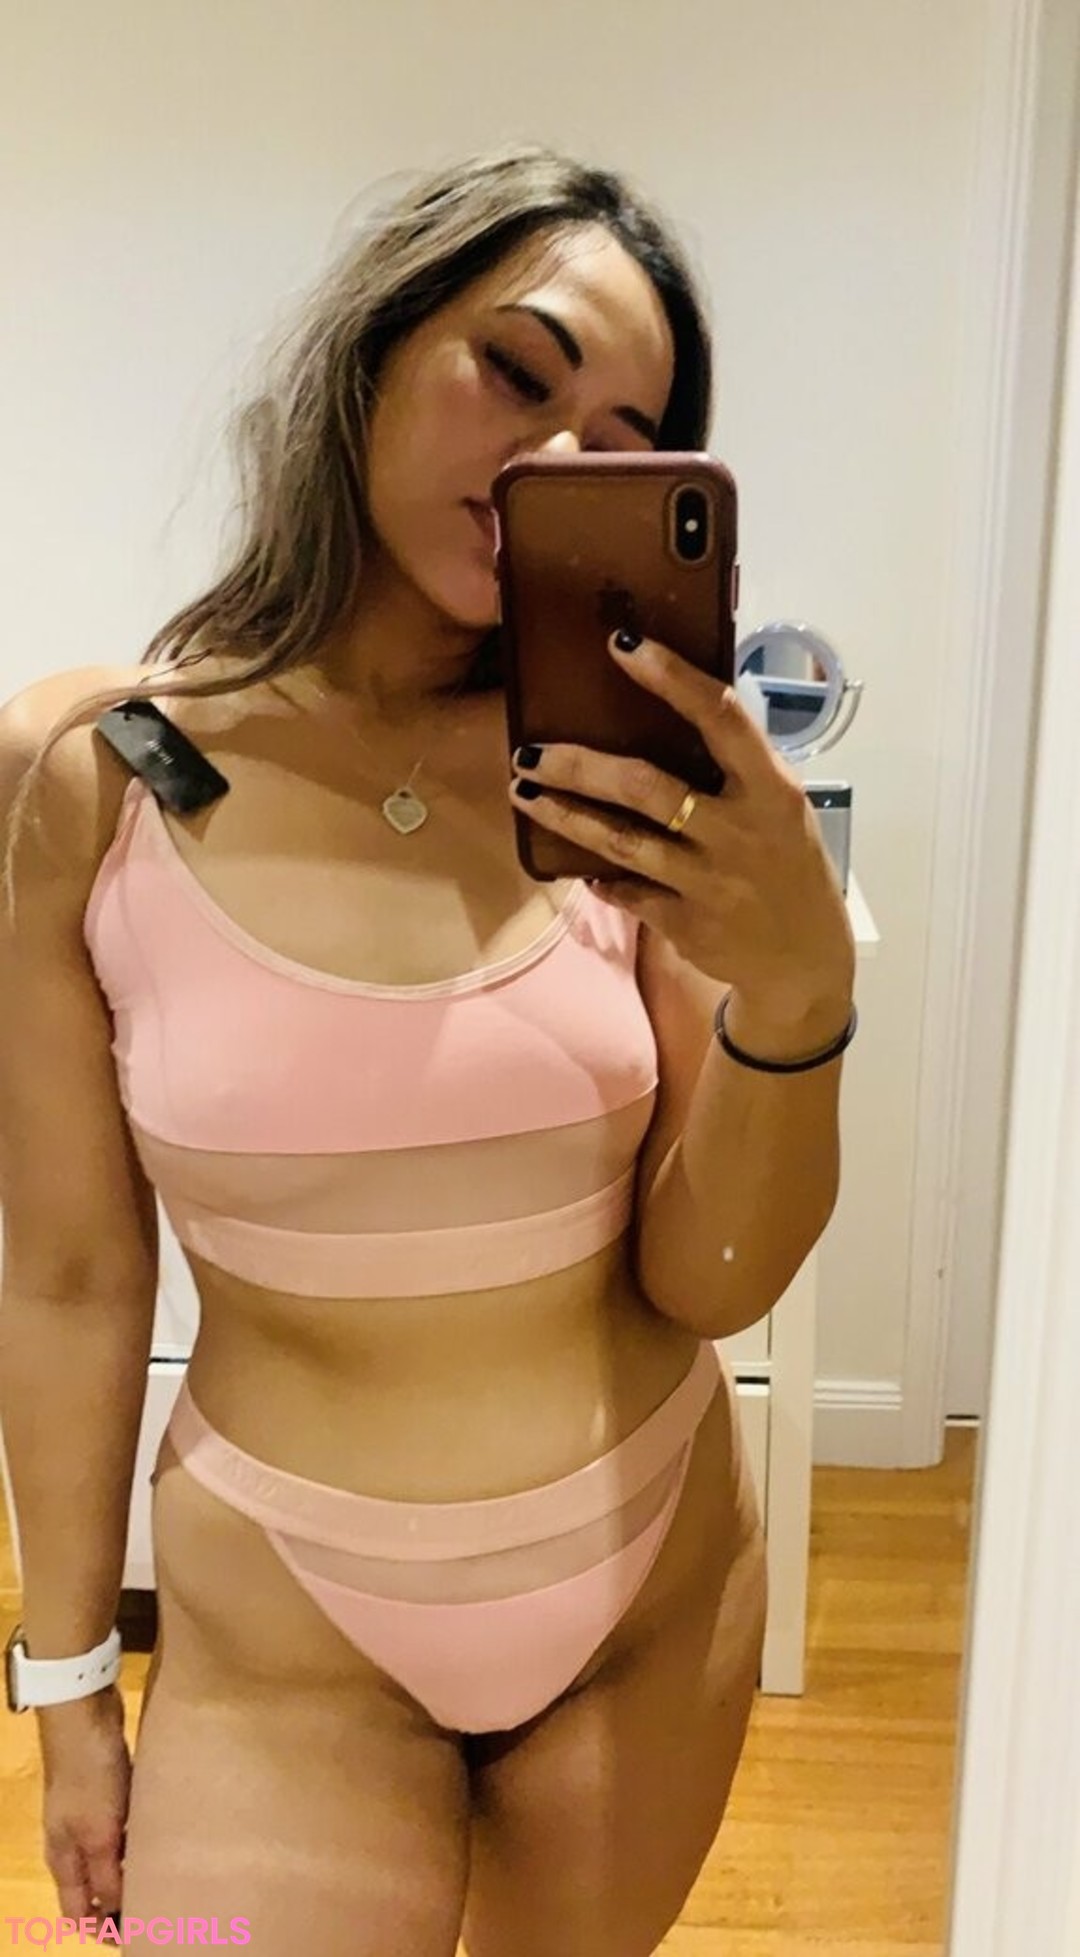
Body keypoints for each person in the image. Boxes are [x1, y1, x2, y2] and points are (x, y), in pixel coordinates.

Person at [0, 146, 856, 1957]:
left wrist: (797, 998)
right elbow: (69, 1275)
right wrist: (65, 1685)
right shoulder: (96, 779)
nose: (550, 461)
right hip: (284, 1633)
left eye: (618, 446)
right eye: (515, 371)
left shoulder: (633, 788)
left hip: (644, 1591)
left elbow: (713, 1274)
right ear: (372, 349)